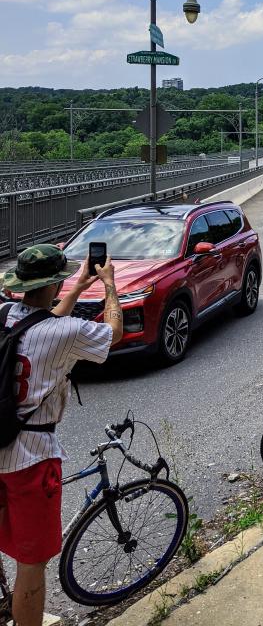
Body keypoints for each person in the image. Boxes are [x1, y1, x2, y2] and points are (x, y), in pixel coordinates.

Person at [0, 244, 123, 626]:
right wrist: (108, 286)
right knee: (31, 565)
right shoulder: (66, 332)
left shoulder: (4, 313)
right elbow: (113, 333)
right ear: (57, 281)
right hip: (30, 458)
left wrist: (74, 286)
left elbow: (36, 323)